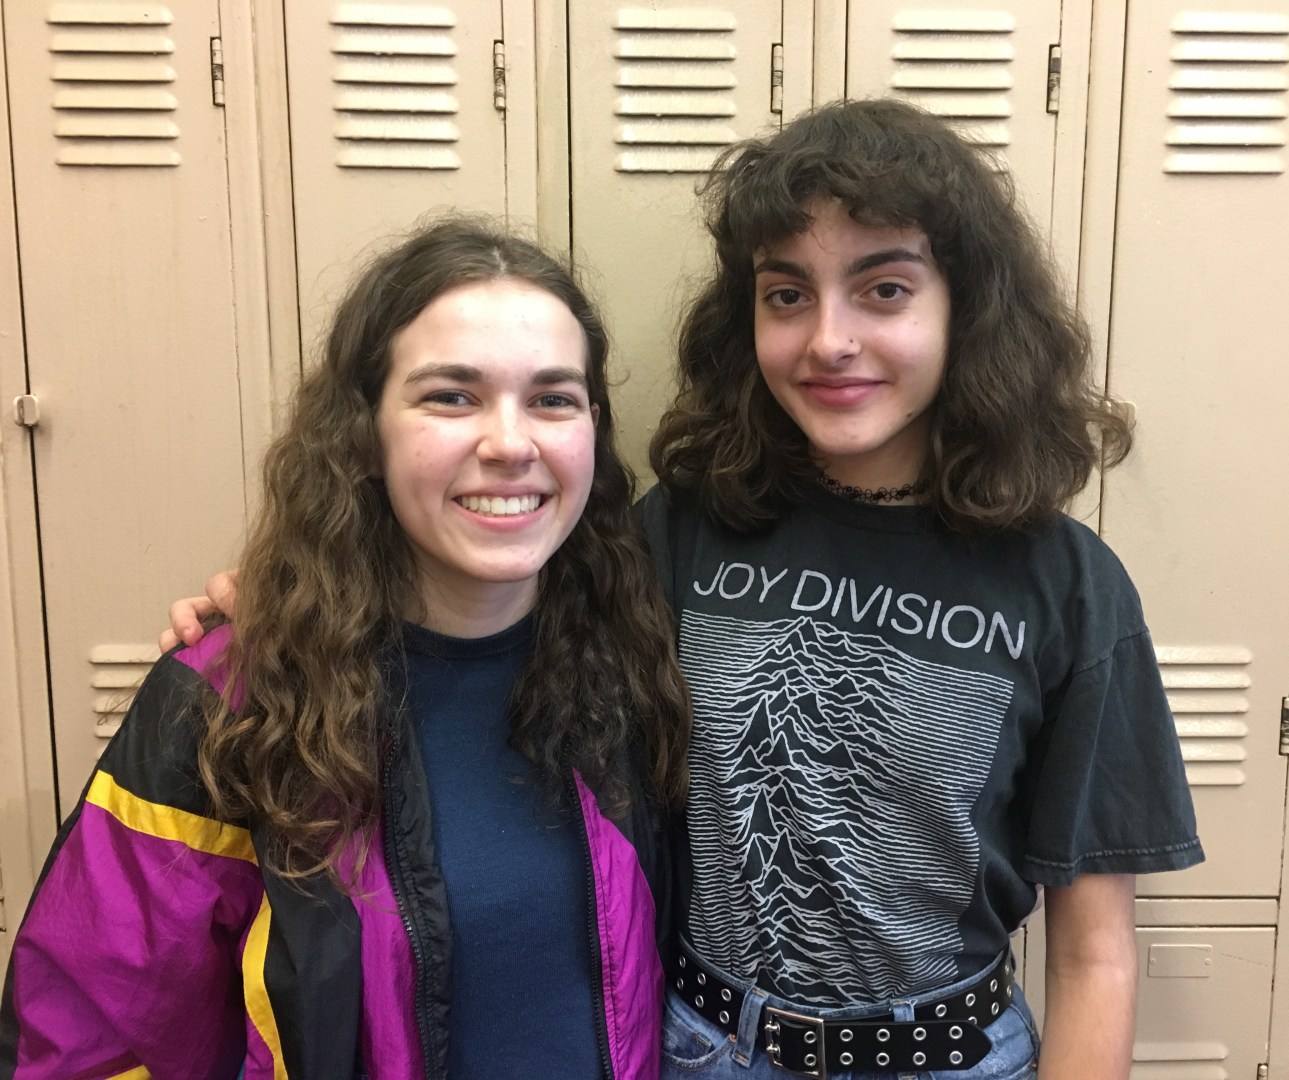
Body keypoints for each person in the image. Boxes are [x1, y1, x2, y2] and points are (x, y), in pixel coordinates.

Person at [163, 99, 1203, 1079]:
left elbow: (1098, 955)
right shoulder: (686, 526)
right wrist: (276, 599)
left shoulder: (1067, 587)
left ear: (964, 309)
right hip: (703, 1045)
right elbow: (474, 566)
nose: (829, 339)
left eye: (884, 289)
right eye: (786, 294)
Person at [0, 218, 691, 1079]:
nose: (511, 443)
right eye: (451, 396)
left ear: (593, 428)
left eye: (553, 398)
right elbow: (91, 1031)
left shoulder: (628, 662)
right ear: (364, 434)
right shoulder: (233, 704)